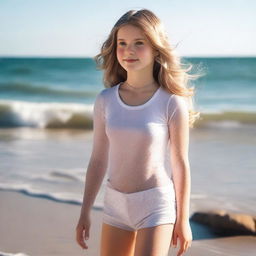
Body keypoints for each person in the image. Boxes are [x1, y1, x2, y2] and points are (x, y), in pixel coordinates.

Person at [76, 8, 201, 256]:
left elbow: (180, 163)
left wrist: (183, 218)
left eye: (139, 43)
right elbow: (98, 159)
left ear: (156, 48)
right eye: (122, 43)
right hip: (115, 204)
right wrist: (85, 212)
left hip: (155, 204)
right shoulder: (105, 100)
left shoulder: (171, 101)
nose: (128, 51)